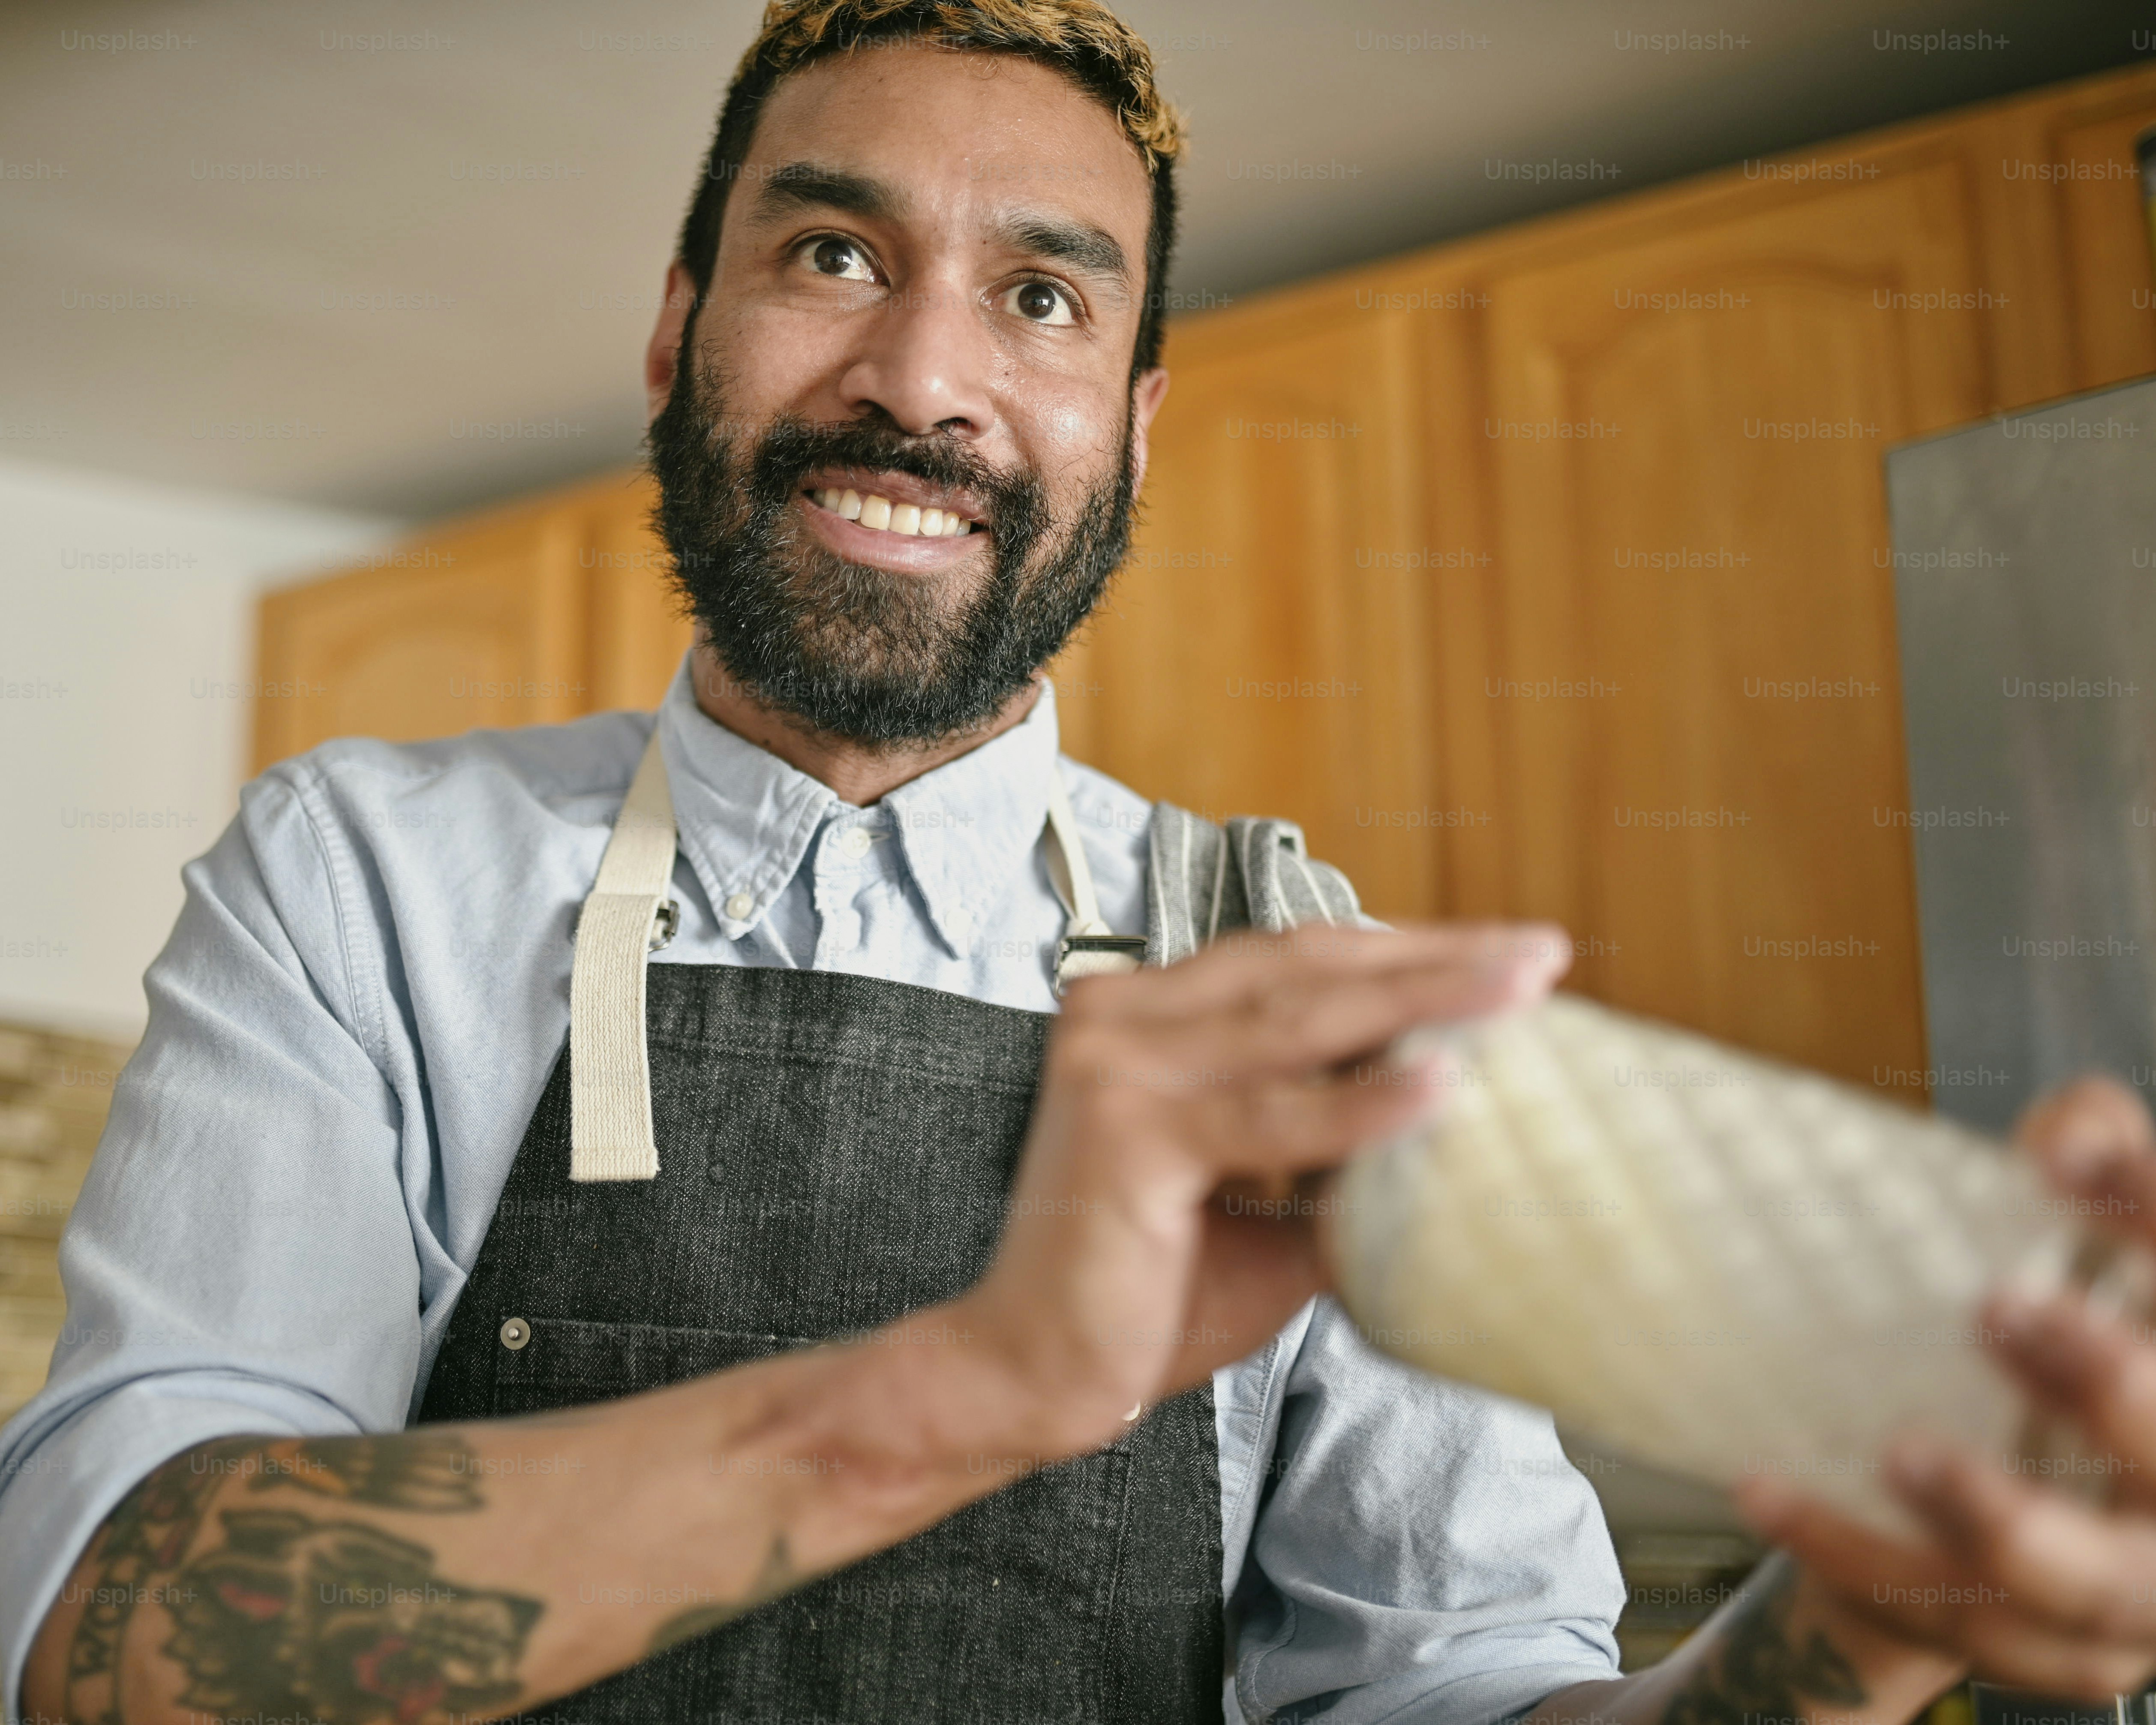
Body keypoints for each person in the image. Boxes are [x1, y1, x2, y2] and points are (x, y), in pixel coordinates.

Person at [8, 2, 2156, 1720]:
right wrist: (981, 1385)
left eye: (1041, 298)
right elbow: (107, 1643)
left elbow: (1466, 1684)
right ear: (680, 332)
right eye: (831, 254)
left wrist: (1857, 1636)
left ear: (1132, 426)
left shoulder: (1302, 978)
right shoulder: (365, 877)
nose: (920, 377)